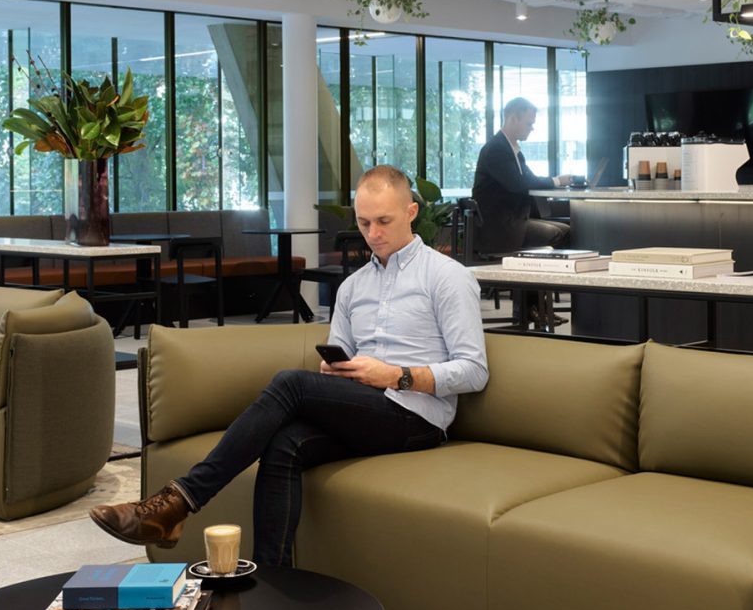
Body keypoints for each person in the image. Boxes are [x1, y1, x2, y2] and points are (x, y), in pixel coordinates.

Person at [91, 165, 488, 568]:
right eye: (364, 222)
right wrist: (335, 371)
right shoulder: (353, 287)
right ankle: (272, 584)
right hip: (364, 410)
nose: (374, 233)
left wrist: (397, 375)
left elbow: (474, 370)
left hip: (417, 419)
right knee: (284, 446)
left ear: (411, 211)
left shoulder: (447, 277)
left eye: (384, 221)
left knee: (290, 385)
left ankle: (178, 502)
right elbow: (342, 353)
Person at [471, 97, 575, 254]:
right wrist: (557, 180)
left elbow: (529, 179)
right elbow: (519, 183)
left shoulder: (513, 150)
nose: (532, 128)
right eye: (529, 123)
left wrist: (557, 180)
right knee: (562, 233)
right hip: (500, 228)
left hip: (514, 221)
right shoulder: (496, 149)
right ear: (513, 119)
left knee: (567, 229)